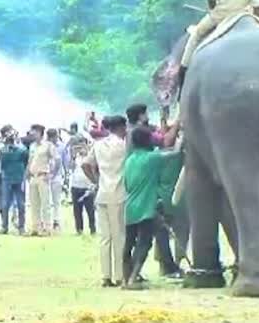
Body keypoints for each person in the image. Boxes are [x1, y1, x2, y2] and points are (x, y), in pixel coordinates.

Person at [121, 126, 184, 290]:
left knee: (128, 244)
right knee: (144, 244)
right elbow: (175, 153)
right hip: (146, 210)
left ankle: (125, 278)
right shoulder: (152, 158)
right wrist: (182, 139)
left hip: (130, 208)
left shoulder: (129, 160)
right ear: (147, 141)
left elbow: (126, 185)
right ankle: (133, 278)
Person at [85, 115, 129, 287]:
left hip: (102, 192)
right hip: (118, 193)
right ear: (121, 127)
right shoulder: (124, 145)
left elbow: (85, 165)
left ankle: (105, 275)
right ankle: (119, 275)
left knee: (105, 237)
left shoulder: (98, 144)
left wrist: (96, 181)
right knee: (119, 236)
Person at [149, 122, 185, 280]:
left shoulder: (156, 155)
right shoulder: (176, 154)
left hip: (160, 197)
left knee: (162, 234)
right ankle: (174, 263)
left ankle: (166, 264)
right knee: (179, 231)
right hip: (176, 199)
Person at [25, 125, 57, 236]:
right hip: (33, 177)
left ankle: (47, 228)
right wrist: (27, 173)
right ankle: (35, 227)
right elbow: (30, 161)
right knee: (34, 204)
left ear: (40, 133)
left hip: (43, 176)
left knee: (45, 204)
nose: (33, 134)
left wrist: (51, 174)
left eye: (35, 132)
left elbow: (55, 160)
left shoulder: (48, 145)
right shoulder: (32, 146)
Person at [0, 127, 28, 235]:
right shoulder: (3, 150)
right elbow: (2, 161)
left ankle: (21, 227)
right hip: (7, 179)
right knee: (5, 204)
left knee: (20, 204)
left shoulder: (22, 150)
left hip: (18, 179)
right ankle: (4, 226)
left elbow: (25, 161)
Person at [68, 135, 96, 236]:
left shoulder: (90, 156)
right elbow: (70, 167)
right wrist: (73, 156)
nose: (80, 148)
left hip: (87, 186)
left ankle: (93, 229)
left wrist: (87, 152)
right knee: (77, 210)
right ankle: (79, 229)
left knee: (90, 210)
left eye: (82, 145)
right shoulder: (76, 157)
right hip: (76, 185)